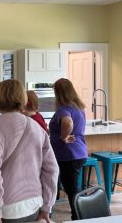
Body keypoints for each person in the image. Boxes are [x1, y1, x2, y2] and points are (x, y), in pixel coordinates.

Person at [0, 79, 59, 223]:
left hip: (4, 208)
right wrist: (47, 207)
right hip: (33, 204)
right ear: (23, 99)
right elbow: (52, 169)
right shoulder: (36, 128)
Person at [49, 78, 88, 220]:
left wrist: (64, 137)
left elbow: (68, 122)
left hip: (68, 154)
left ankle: (78, 217)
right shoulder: (79, 107)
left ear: (58, 93)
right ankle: (79, 216)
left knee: (72, 190)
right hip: (80, 152)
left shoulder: (63, 109)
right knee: (73, 188)